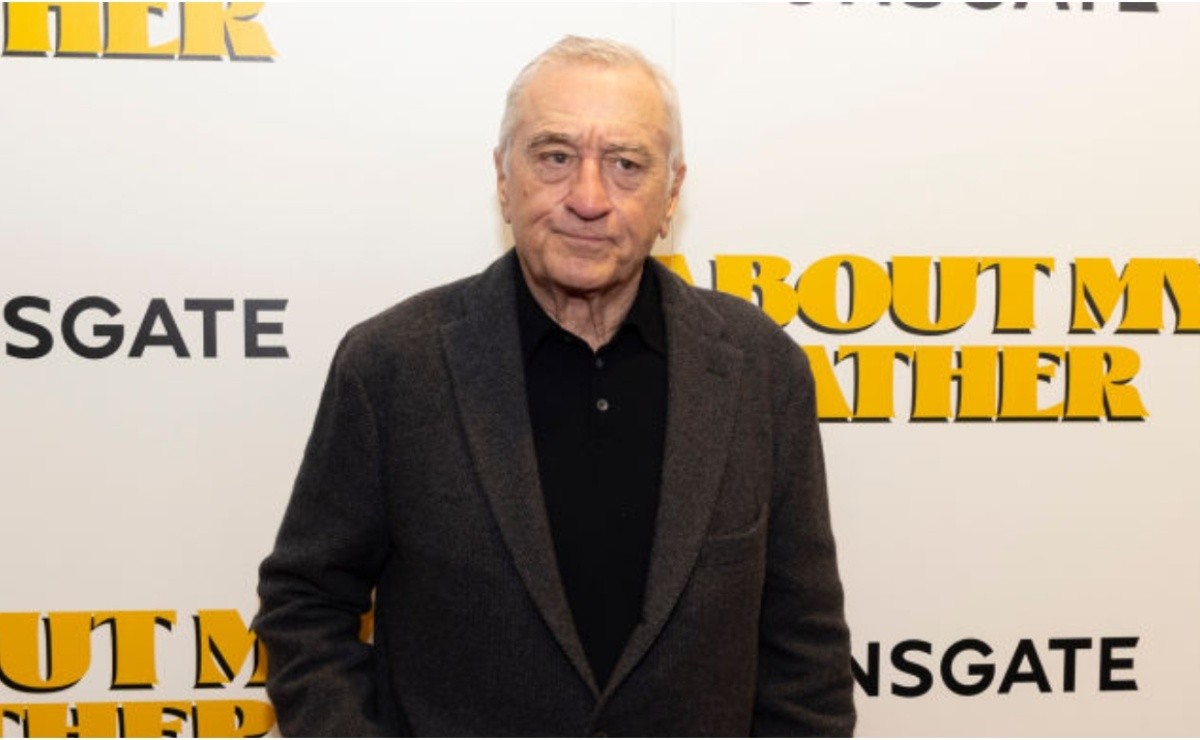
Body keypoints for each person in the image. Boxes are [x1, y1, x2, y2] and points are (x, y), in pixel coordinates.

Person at [254, 35, 855, 737]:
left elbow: (803, 647)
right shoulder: (391, 366)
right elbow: (306, 606)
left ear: (672, 194)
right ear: (503, 178)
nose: (589, 199)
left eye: (626, 164)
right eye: (555, 157)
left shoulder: (761, 369)